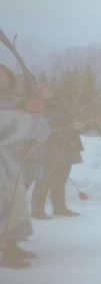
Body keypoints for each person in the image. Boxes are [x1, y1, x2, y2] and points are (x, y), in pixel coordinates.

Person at [0, 63, 49, 269]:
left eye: (4, 75)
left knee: (13, 206)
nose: (3, 79)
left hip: (9, 162)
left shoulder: (16, 102)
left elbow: (42, 128)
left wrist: (36, 116)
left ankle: (11, 246)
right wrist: (29, 121)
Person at [30, 93, 84, 218]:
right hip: (47, 150)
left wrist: (80, 126)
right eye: (44, 90)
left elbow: (67, 125)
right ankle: (37, 210)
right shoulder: (39, 110)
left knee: (59, 180)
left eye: (49, 89)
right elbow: (45, 130)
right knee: (44, 179)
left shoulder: (61, 107)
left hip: (64, 150)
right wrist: (69, 128)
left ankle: (59, 208)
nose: (48, 91)